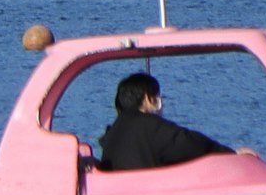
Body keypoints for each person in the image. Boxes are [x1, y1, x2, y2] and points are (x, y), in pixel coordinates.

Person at [97, 72, 229, 172]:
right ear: (149, 99)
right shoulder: (148, 126)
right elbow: (188, 143)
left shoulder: (112, 133)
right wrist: (227, 152)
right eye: (159, 97)